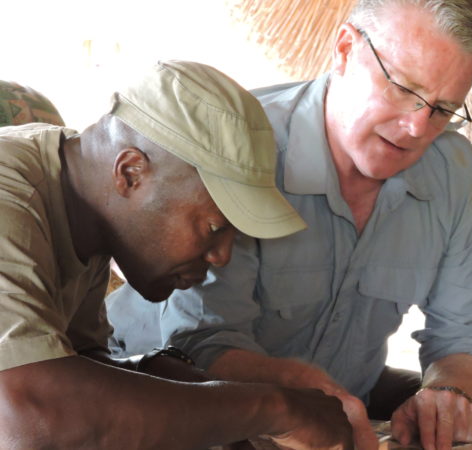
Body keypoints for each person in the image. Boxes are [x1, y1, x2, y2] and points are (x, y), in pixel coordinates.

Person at [109, 1, 472, 448]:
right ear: (346, 50)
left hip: (340, 394)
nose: (416, 128)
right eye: (405, 89)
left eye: (443, 110)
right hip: (172, 389)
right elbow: (204, 342)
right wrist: (307, 396)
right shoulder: (246, 147)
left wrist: (447, 392)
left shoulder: (455, 174)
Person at [0, 60, 354, 450]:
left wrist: (202, 390)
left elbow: (79, 364)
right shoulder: (10, 197)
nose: (221, 256)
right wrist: (274, 408)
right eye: (215, 228)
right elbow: (29, 415)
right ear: (131, 173)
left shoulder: (79, 201)